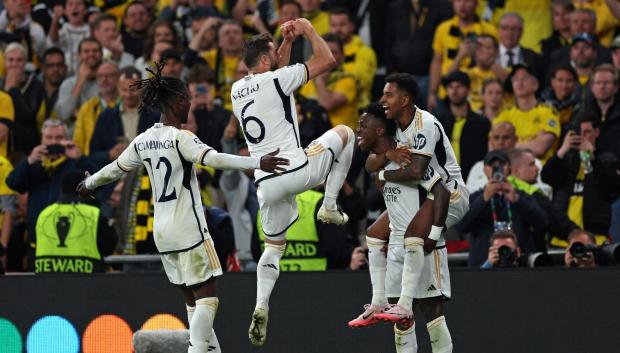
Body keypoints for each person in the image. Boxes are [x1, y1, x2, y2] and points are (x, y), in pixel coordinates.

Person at [77, 61, 288, 353]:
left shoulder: (144, 139)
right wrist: (258, 162)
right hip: (188, 228)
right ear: (177, 101)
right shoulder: (181, 138)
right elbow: (214, 159)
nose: (190, 102)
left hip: (161, 233)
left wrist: (88, 185)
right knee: (208, 298)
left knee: (192, 301)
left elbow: (113, 169)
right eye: (187, 97)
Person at [232, 19, 355, 346]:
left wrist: (284, 42)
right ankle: (329, 205)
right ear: (264, 61)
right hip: (295, 170)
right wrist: (308, 30)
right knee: (346, 133)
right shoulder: (277, 79)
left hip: (266, 185)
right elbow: (328, 60)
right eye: (273, 54)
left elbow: (274, 71)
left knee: (273, 248)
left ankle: (261, 304)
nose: (278, 57)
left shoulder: (237, 88)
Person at [349, 102, 454, 353]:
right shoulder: (383, 161)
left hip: (424, 247)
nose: (358, 130)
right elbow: (370, 166)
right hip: (397, 248)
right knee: (400, 320)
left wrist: (434, 235)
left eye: (364, 125)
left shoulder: (409, 158)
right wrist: (385, 160)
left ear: (380, 130)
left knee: (433, 316)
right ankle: (378, 302)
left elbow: (442, 192)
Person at [6, 119, 95, 271]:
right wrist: (28, 161)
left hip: (71, 244)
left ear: (66, 139)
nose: (53, 142)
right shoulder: (33, 165)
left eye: (59, 138)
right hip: (38, 244)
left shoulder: (74, 163)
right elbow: (13, 183)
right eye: (49, 138)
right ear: (42, 139)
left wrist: (80, 159)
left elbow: (99, 183)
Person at [456, 150, 548, 267]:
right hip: (483, 268)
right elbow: (461, 227)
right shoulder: (474, 198)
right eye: (492, 165)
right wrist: (484, 199)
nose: (497, 168)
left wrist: (517, 200)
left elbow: (542, 223)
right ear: (485, 170)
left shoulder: (522, 196)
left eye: (501, 164)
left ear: (509, 168)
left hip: (519, 266)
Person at [541, 111, 619, 246]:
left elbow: (613, 185)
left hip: (595, 236)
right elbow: (546, 177)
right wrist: (562, 150)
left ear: (597, 132)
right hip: (563, 237)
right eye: (579, 132)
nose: (583, 136)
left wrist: (592, 157)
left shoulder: (606, 159)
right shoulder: (566, 161)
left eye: (587, 132)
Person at [34, 170, 117, 273]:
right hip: (85, 283)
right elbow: (110, 246)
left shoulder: (44, 214)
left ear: (61, 189)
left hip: (47, 284)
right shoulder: (93, 214)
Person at [494, 63, 561, 162]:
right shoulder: (504, 115)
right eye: (516, 79)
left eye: (524, 78)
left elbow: (541, 148)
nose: (519, 83)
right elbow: (494, 147)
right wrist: (534, 143)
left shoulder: (549, 112)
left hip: (540, 170)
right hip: (511, 170)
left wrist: (509, 147)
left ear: (536, 84)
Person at [435, 71, 490, 181]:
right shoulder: (436, 122)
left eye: (459, 86)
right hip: (442, 181)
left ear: (468, 90)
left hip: (473, 180)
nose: (454, 91)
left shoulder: (481, 123)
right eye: (450, 87)